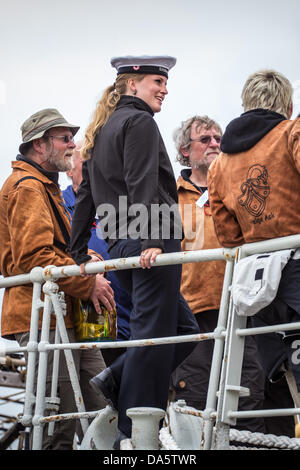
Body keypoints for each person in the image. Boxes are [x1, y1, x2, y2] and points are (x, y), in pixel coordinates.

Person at [69, 55, 200, 447]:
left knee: (185, 332)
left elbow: (87, 197)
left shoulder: (103, 130)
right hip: (150, 244)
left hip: (122, 248)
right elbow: (143, 179)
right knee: (152, 338)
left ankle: (115, 378)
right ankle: (133, 434)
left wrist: (78, 253)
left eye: (165, 82)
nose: (164, 88)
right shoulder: (140, 121)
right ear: (132, 84)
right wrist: (153, 241)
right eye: (157, 81)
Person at [0, 108, 116, 449]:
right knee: (55, 425)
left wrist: (80, 261)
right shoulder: (29, 188)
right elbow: (34, 256)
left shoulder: (41, 187)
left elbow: (45, 250)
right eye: (65, 138)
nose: (73, 144)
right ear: (40, 145)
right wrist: (87, 281)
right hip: (44, 318)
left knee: (101, 413)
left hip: (61, 317)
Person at [208, 69, 300, 433]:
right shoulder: (291, 132)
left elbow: (227, 236)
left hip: (258, 285)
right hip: (296, 272)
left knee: (278, 386)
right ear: (288, 104)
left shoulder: (220, 165)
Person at [170, 115, 266, 433]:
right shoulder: (170, 197)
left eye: (218, 138)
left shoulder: (238, 188)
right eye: (205, 139)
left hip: (240, 309)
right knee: (196, 400)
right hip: (192, 315)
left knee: (250, 394)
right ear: (185, 151)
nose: (214, 143)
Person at [62, 143, 132, 364]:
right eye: (86, 163)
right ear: (69, 170)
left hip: (131, 321)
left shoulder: (124, 206)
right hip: (87, 324)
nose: (95, 169)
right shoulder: (60, 206)